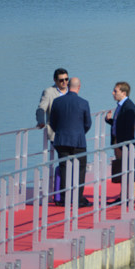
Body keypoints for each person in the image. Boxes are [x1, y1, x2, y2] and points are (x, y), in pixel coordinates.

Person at [48, 78, 92, 207]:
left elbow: (52, 122)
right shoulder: (84, 103)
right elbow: (88, 123)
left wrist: (61, 132)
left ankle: (63, 199)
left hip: (61, 140)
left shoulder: (57, 102)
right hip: (78, 141)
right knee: (81, 169)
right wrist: (79, 133)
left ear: (68, 86)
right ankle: (78, 199)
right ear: (79, 87)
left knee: (64, 168)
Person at [37, 68, 70, 197]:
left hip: (71, 133)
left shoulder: (70, 91)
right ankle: (61, 195)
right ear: (55, 80)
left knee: (71, 162)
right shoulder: (49, 92)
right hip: (56, 134)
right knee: (64, 161)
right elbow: (41, 109)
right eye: (61, 80)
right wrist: (41, 121)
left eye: (66, 79)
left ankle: (66, 192)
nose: (64, 82)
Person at [106, 81, 135, 203]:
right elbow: (120, 124)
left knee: (128, 169)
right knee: (122, 169)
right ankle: (123, 196)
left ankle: (129, 198)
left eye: (115, 91)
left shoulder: (129, 106)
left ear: (123, 93)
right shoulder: (120, 106)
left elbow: (128, 127)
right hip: (118, 142)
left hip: (124, 144)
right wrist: (109, 121)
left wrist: (123, 144)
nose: (113, 93)